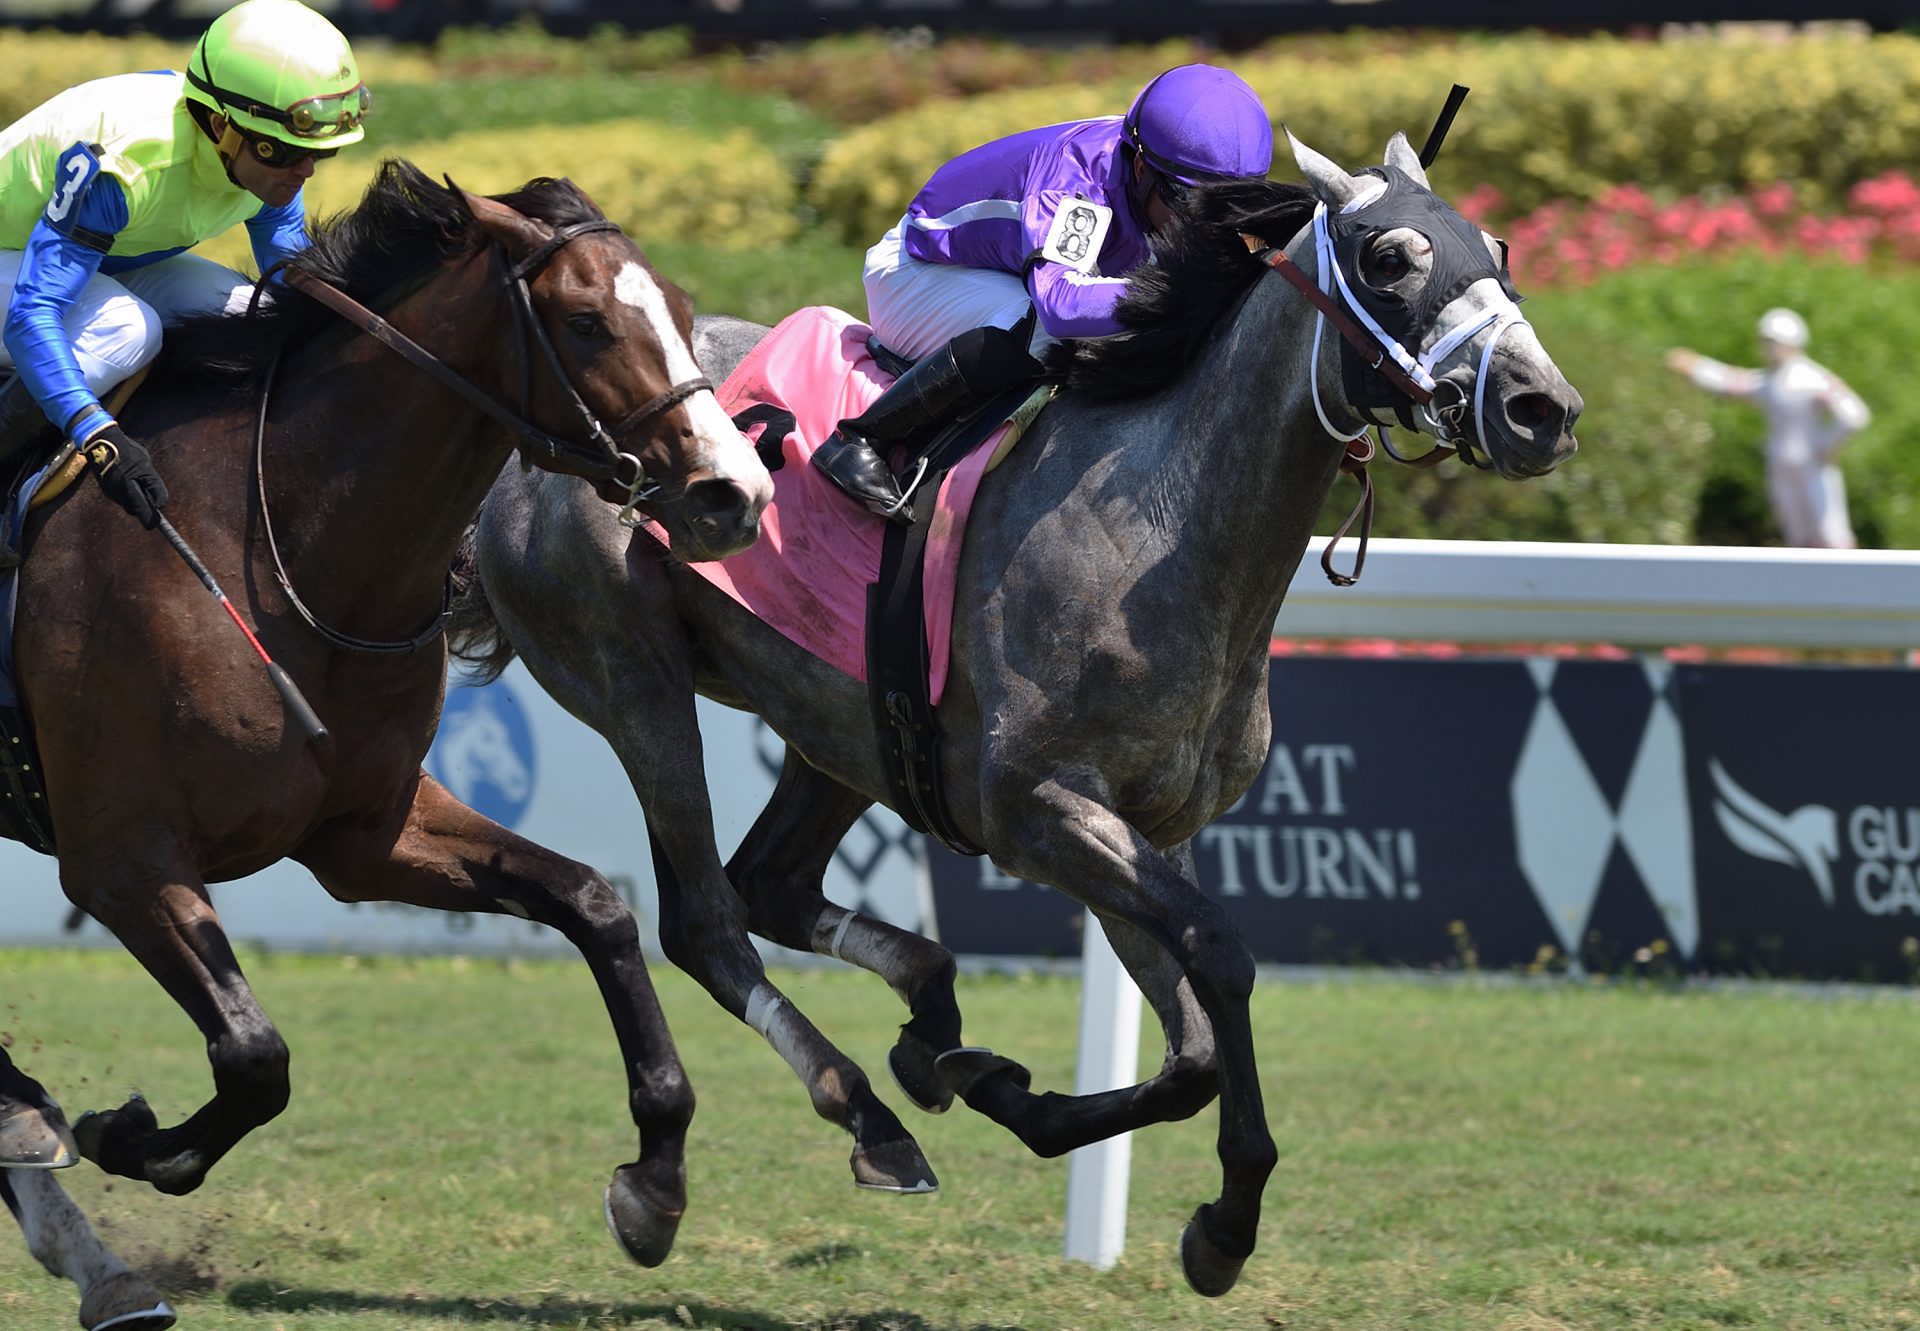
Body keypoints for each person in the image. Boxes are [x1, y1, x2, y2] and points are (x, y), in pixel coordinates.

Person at [813, 63, 1275, 522]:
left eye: (1220, 209)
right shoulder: (1078, 180)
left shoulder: (1153, 176)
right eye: (1185, 201)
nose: (1199, 223)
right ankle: (863, 438)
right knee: (1040, 330)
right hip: (915, 273)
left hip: (997, 276)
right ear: (1139, 165)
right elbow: (1061, 305)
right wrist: (1183, 292)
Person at [0, 0, 370, 563]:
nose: (307, 171)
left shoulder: (256, 155)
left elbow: (297, 290)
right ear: (221, 126)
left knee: (255, 314)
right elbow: (33, 315)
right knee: (128, 329)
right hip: (17, 261)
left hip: (109, 258)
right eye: (292, 152)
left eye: (325, 152)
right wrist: (97, 435)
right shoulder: (125, 168)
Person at [1667, 308, 1869, 549]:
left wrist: (1824, 444)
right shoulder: (1771, 380)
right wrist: (1696, 366)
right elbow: (1732, 382)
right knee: (1797, 537)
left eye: (1773, 342)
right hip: (1780, 465)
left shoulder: (1812, 378)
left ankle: (1845, 584)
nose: (1768, 348)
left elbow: (1855, 415)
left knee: (1832, 534)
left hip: (1812, 466)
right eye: (1765, 341)